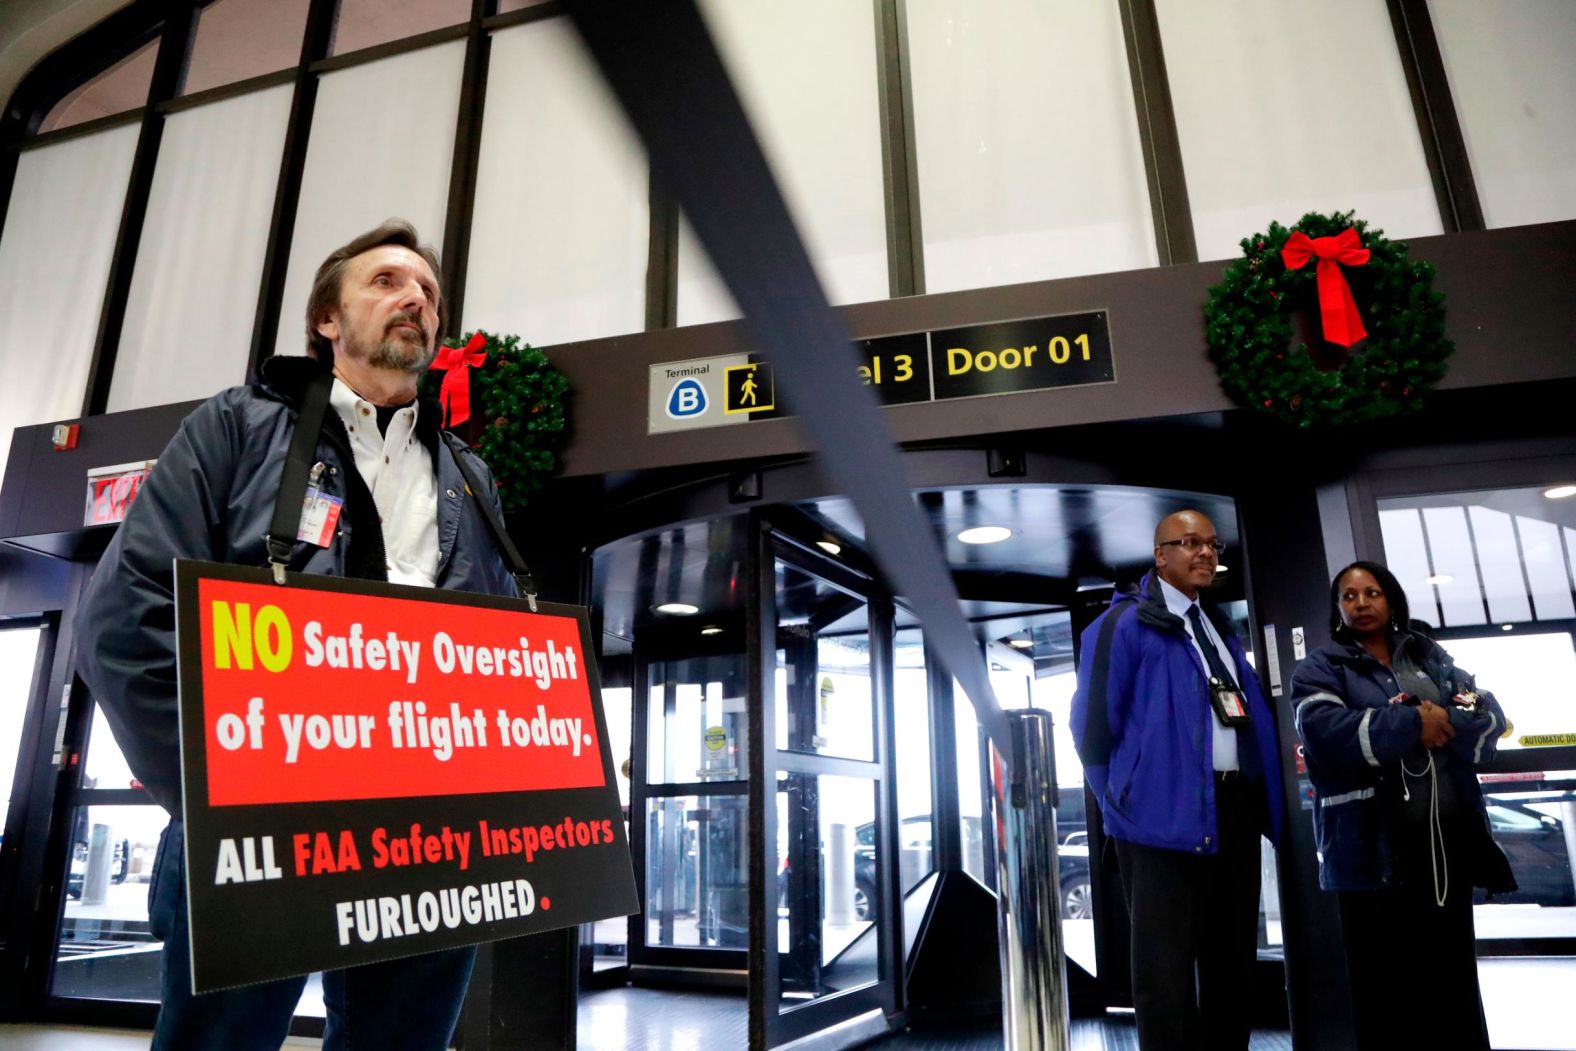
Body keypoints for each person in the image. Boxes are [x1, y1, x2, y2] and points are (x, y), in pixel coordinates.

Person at [74, 219, 519, 1050]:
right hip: (254, 832)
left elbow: (493, 657)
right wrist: (217, 790)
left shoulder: (468, 474)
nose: (414, 297)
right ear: (326, 318)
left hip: (431, 841)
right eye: (387, 280)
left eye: (427, 291)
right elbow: (123, 622)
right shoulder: (238, 428)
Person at [1070, 509, 1283, 1051]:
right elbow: (1092, 729)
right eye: (1189, 543)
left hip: (1230, 811)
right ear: (1160, 555)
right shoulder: (1121, 625)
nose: (1205, 553)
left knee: (1232, 962)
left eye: (1212, 544)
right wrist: (1122, 804)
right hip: (1155, 823)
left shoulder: (1215, 625)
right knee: (1163, 977)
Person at [1290, 561, 1513, 1050]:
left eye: (1372, 593)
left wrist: (1438, 720)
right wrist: (1417, 725)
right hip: (1369, 851)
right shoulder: (1319, 669)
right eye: (1349, 596)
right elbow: (1326, 735)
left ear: (1391, 600)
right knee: (1383, 991)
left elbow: (1490, 716)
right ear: (1337, 608)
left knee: (1452, 982)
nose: (1362, 603)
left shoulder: (1429, 656)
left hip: (1447, 848)